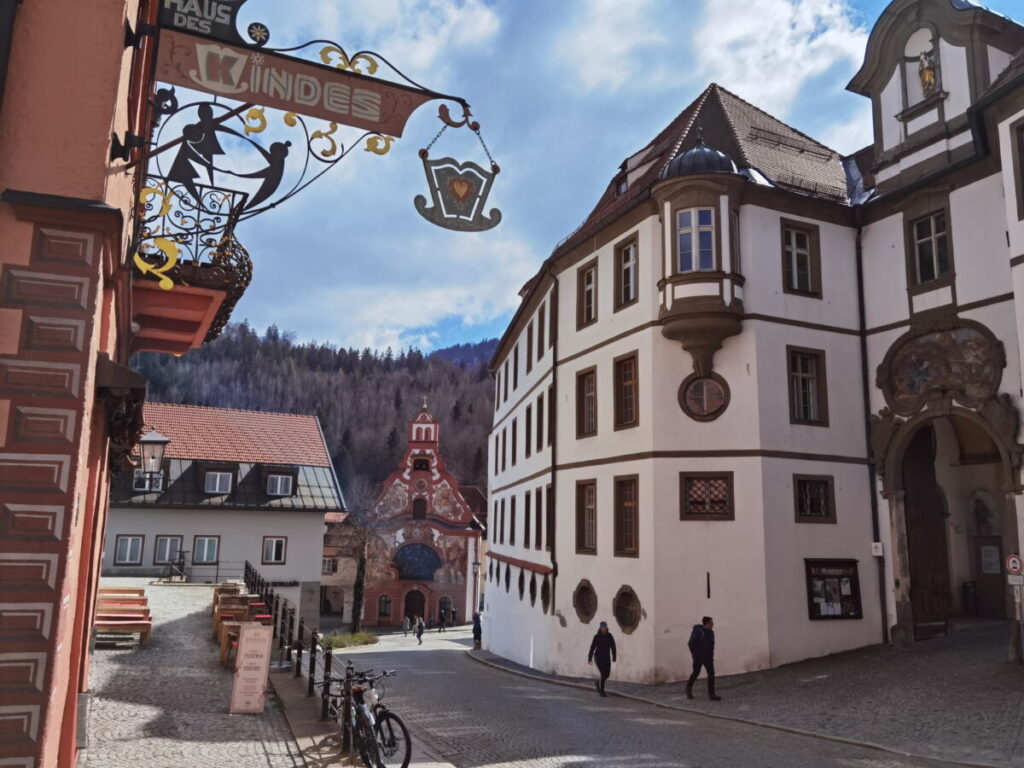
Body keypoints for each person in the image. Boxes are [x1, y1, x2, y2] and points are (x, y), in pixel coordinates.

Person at [686, 616, 720, 701]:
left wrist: (711, 656)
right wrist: (696, 655)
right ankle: (688, 689)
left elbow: (712, 646)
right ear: (707, 623)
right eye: (711, 623)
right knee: (696, 673)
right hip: (698, 658)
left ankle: (712, 694)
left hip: (708, 658)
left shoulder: (711, 633)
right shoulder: (699, 632)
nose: (713, 624)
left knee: (711, 675)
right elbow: (691, 644)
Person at [587, 621, 617, 697]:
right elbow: (592, 647)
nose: (603, 629)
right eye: (602, 627)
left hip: (607, 658)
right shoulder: (597, 637)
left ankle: (598, 683)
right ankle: (602, 691)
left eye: (604, 627)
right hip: (598, 658)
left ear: (607, 627)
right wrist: (590, 658)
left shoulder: (609, 636)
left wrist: (614, 657)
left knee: (607, 674)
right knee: (603, 673)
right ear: (600, 628)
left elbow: (613, 647)